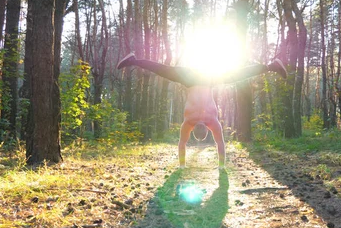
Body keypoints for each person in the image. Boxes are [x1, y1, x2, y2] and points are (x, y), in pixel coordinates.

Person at [116, 52, 287, 169]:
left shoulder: (193, 123)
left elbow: (185, 144)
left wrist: (183, 166)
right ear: (205, 130)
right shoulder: (208, 122)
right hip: (205, 78)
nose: (199, 128)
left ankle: (133, 60)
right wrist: (221, 166)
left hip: (195, 78)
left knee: (164, 70)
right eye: (201, 131)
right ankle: (271, 66)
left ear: (196, 131)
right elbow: (218, 144)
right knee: (236, 75)